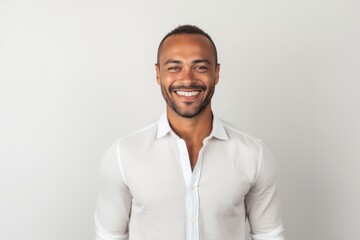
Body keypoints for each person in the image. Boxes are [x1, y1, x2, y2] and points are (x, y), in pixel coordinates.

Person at [95, 25, 285, 240]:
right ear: (158, 74)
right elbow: (109, 236)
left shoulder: (253, 154)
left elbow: (269, 235)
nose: (187, 79)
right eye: (174, 67)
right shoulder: (123, 155)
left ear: (217, 73)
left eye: (200, 67)